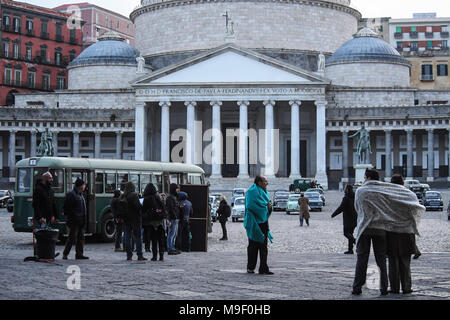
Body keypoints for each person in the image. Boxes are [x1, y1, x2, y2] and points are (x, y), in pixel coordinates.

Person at [352, 169, 424, 296]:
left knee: (362, 259)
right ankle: (384, 288)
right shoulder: (384, 191)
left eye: (364, 177)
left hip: (365, 228)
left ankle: (357, 287)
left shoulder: (361, 191)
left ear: (367, 177)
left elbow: (357, 208)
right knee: (382, 261)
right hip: (382, 229)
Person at [386, 174, 420, 294]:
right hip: (406, 232)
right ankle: (406, 287)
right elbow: (416, 212)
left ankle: (394, 288)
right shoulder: (410, 195)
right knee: (405, 263)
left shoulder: (387, 196)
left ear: (391, 183)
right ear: (403, 183)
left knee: (392, 263)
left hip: (392, 232)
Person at [244, 175, 274, 275]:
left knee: (263, 247)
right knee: (253, 246)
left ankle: (263, 268)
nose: (267, 183)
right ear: (259, 182)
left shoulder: (265, 192)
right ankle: (250, 267)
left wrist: (269, 208)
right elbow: (250, 206)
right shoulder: (251, 192)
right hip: (254, 223)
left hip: (263, 222)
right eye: (265, 181)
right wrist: (266, 208)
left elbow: (267, 204)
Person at [62, 178, 89, 260]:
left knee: (81, 238)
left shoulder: (80, 194)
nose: (85, 186)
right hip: (74, 221)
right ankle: (65, 254)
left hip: (81, 220)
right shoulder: (72, 194)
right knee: (72, 238)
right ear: (80, 186)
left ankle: (79, 254)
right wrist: (73, 217)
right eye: (84, 185)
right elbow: (67, 208)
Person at [122, 181, 146, 261]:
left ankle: (129, 255)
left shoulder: (123, 195)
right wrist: (141, 201)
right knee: (138, 237)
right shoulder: (134, 195)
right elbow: (138, 206)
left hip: (126, 219)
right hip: (135, 219)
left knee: (127, 237)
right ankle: (139, 255)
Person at [142, 183, 167, 261]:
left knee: (154, 240)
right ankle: (161, 255)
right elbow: (163, 208)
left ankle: (154, 256)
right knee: (161, 239)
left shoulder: (146, 199)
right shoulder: (158, 197)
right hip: (159, 221)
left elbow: (143, 210)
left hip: (151, 222)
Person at [331, 184, 358, 254]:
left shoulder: (346, 198)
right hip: (355, 218)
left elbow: (341, 208)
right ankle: (350, 250)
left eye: (345, 188)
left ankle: (356, 241)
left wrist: (333, 214)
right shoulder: (355, 197)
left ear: (347, 189)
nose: (344, 189)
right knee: (350, 234)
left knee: (346, 233)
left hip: (348, 219)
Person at [166, 183, 181, 255]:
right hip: (173, 218)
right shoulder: (170, 197)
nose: (178, 190)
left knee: (174, 234)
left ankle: (172, 247)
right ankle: (170, 248)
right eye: (177, 188)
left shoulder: (174, 197)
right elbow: (170, 209)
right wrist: (174, 216)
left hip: (175, 217)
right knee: (171, 233)